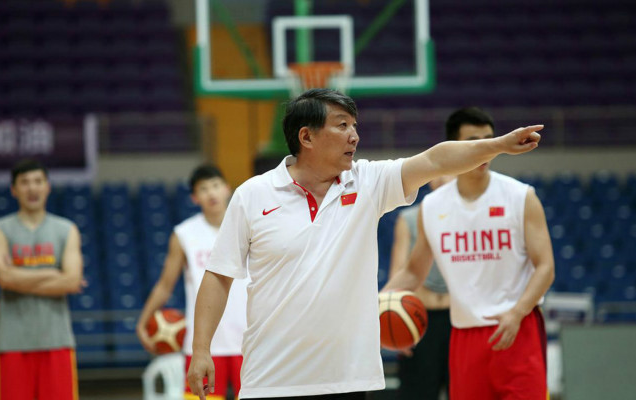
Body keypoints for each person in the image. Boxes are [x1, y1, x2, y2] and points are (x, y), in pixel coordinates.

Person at [187, 89, 542, 400]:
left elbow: (435, 159)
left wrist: (498, 146)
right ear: (306, 136)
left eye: (354, 126)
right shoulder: (252, 194)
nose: (354, 136)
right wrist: (201, 349)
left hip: (348, 378)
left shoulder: (368, 182)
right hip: (270, 379)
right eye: (342, 125)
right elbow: (219, 275)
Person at [384, 107, 554, 400]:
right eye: (474, 142)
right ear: (455, 148)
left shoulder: (521, 196)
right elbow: (413, 272)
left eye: (489, 139)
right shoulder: (432, 207)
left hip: (517, 326)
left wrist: (517, 312)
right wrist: (379, 306)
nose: (485, 148)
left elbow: (546, 267)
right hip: (464, 335)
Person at [136, 165, 247, 400]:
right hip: (203, 344)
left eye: (215, 185)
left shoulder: (248, 225)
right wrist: (143, 322)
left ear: (227, 189)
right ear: (195, 198)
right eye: (203, 189)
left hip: (249, 340)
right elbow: (165, 285)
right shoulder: (184, 234)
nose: (211, 193)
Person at [0, 159, 83, 400]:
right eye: (25, 182)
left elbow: (72, 281)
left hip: (57, 341)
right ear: (14, 189)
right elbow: (3, 279)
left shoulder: (66, 229)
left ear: (47, 186)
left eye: (38, 181)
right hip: (12, 342)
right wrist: (51, 273)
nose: (32, 188)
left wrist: (17, 276)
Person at [389, 175, 453, 400]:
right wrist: (396, 329)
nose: (443, 178)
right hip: (419, 322)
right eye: (439, 171)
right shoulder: (408, 218)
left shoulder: (472, 215)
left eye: (451, 170)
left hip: (460, 320)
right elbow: (399, 272)